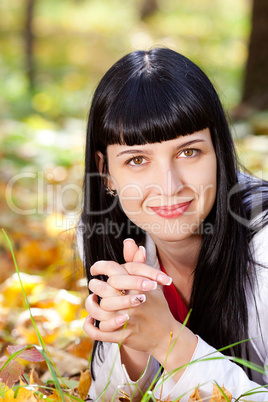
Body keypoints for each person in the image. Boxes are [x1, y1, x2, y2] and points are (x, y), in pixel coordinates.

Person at [78, 48, 268, 401]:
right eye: (137, 160)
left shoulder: (263, 246)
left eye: (188, 152)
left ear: (219, 152)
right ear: (105, 172)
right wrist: (130, 333)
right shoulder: (113, 236)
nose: (168, 186)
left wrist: (169, 342)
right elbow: (105, 393)